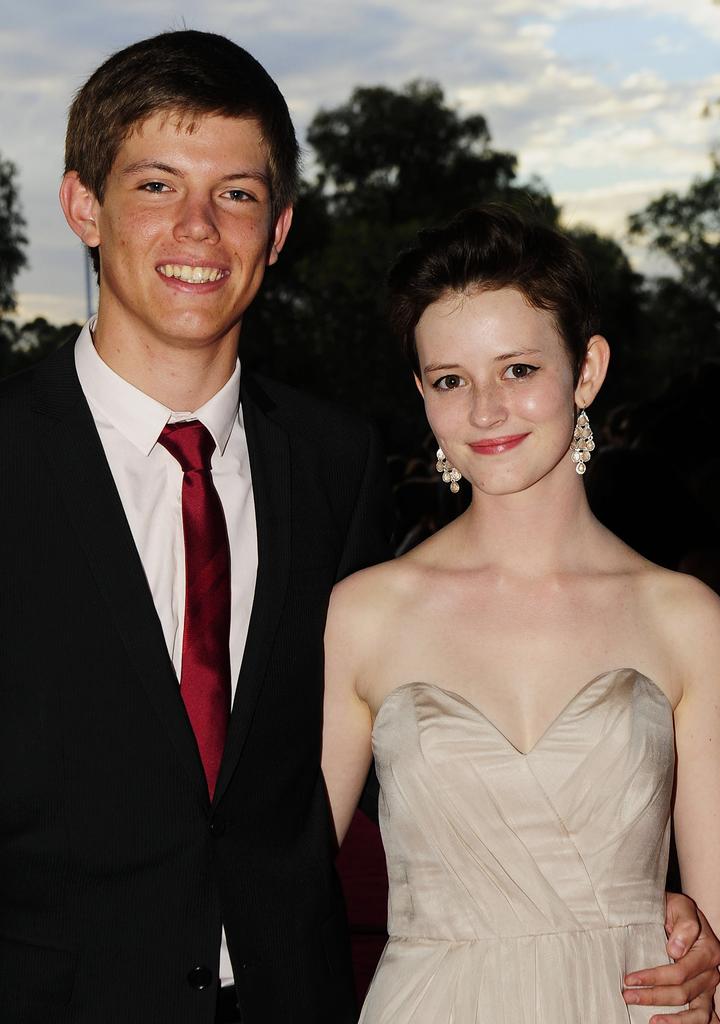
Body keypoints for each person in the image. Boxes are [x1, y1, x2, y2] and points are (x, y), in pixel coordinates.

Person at [0, 29, 393, 1024]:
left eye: (238, 193)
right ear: (82, 205)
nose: (200, 228)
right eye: (156, 185)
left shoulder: (338, 465)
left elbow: (401, 749)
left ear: (281, 227)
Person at [321, 206, 720, 1022]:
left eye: (519, 369)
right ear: (421, 393)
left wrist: (691, 933)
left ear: (587, 370)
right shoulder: (364, 614)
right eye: (451, 380)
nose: (485, 411)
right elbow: (281, 880)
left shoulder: (683, 617)